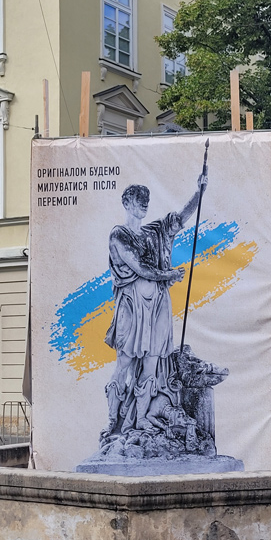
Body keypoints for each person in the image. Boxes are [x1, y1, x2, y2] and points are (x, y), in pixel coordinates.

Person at [102, 172, 208, 439]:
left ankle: (141, 421)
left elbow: (179, 220)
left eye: (146, 201)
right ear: (127, 203)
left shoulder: (153, 232)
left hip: (157, 304)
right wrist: (168, 274)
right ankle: (113, 422)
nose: (144, 204)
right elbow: (140, 268)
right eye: (139, 200)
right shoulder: (119, 235)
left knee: (151, 363)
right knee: (124, 362)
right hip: (132, 305)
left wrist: (199, 193)